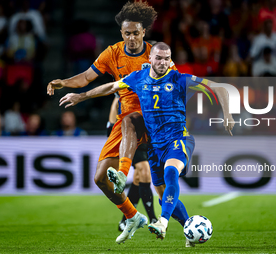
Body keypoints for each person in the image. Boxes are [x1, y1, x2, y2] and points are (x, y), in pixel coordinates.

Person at [58, 42, 235, 244]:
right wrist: (81, 96)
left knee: (171, 173)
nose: (162, 62)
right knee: (162, 195)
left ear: (170, 61)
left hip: (178, 140)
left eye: (166, 59)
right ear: (149, 59)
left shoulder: (179, 79)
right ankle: (189, 229)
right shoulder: (137, 78)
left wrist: (227, 114)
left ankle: (162, 222)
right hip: (154, 146)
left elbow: (219, 88)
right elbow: (111, 87)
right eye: (158, 58)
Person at [47, 1, 175, 244]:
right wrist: (64, 82)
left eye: (136, 33)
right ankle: (132, 215)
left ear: (143, 32)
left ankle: (165, 211)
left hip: (154, 117)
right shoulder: (113, 53)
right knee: (99, 178)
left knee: (153, 176)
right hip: (124, 118)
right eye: (127, 33)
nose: (131, 38)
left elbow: (174, 83)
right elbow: (86, 77)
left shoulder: (156, 54)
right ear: (121, 33)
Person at [108, 93, 157, 231]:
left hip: (145, 134)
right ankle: (153, 219)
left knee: (138, 178)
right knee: (144, 170)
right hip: (130, 135)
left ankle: (125, 221)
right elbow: (117, 100)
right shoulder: (130, 87)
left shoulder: (151, 88)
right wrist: (110, 127)